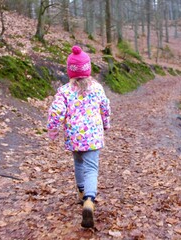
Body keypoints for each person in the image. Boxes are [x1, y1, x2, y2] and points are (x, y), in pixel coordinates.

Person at [47, 45, 111, 228]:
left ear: (70, 71)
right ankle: (89, 201)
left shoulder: (65, 91)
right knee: (91, 168)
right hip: (93, 137)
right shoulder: (97, 88)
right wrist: (106, 124)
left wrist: (53, 129)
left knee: (78, 164)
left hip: (74, 137)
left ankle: (81, 193)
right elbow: (105, 108)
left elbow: (56, 111)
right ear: (88, 69)